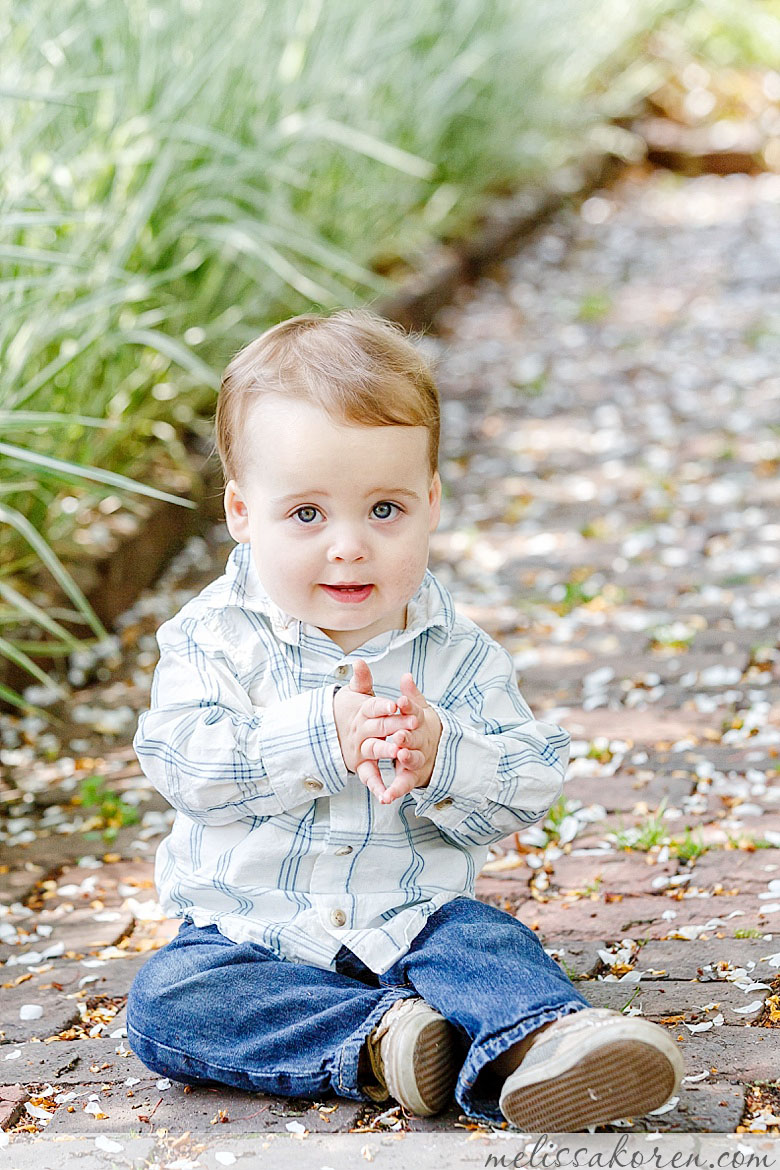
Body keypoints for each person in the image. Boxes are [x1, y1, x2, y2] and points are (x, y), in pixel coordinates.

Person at [126, 308, 684, 1130]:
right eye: (307, 515)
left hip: (415, 923)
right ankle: (388, 1041)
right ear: (242, 512)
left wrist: (446, 757)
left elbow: (528, 781)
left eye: (384, 509)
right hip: (253, 935)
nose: (349, 545)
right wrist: (319, 737)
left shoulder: (456, 654)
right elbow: (185, 766)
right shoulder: (214, 641)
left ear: (430, 502)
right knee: (167, 1001)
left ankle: (554, 1043)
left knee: (486, 945)